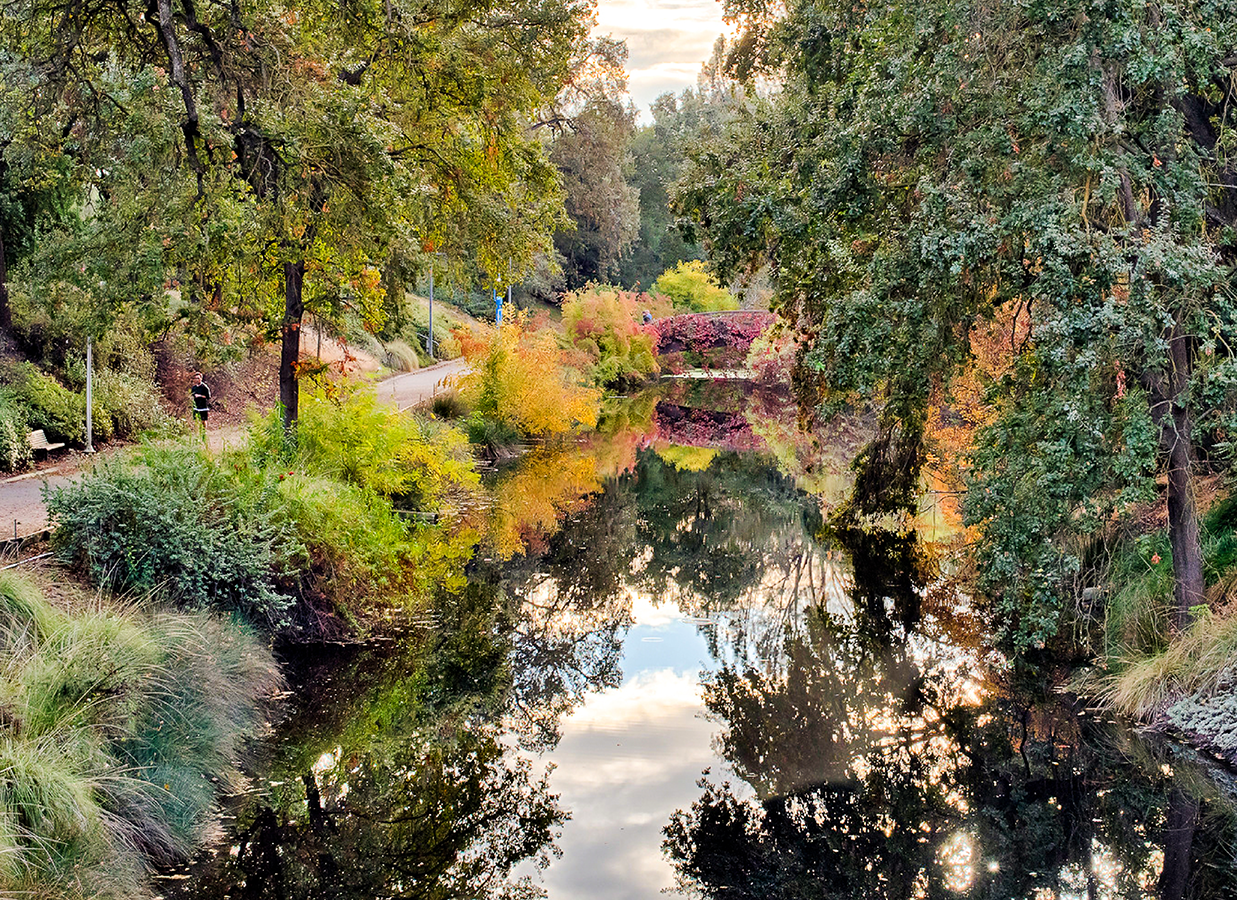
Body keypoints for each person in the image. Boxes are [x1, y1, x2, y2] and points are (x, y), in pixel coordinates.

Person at [189, 372, 211, 441]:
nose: (196, 380)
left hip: (203, 407)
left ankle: (204, 434)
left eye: (198, 378)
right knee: (196, 421)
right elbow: (191, 395)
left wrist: (200, 396)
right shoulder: (194, 388)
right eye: (195, 378)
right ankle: (197, 435)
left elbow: (208, 397)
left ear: (201, 379)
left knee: (203, 421)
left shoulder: (204, 387)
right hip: (196, 407)